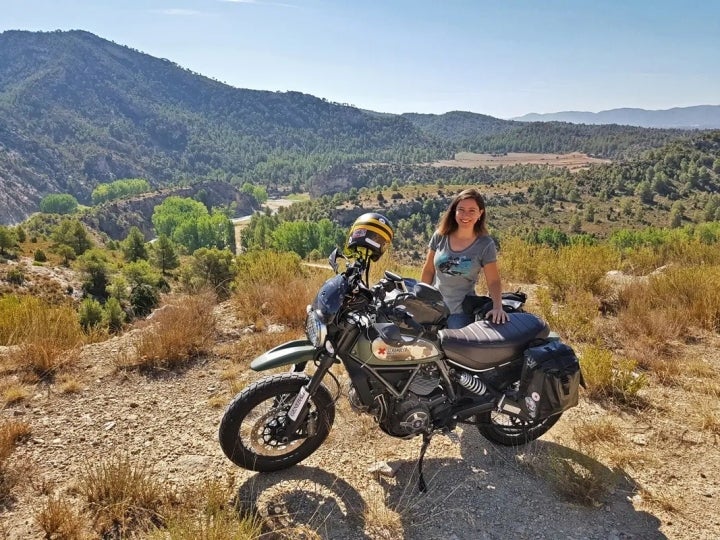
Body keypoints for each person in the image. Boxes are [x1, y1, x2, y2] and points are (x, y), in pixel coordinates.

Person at [420, 188, 508, 329]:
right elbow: (429, 270)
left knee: (453, 348)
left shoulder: (485, 244)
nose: (465, 215)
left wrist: (498, 307)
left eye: (472, 210)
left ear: (480, 213)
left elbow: (493, 281)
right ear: (454, 211)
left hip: (459, 313)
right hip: (434, 308)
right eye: (461, 209)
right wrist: (421, 299)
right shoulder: (440, 236)